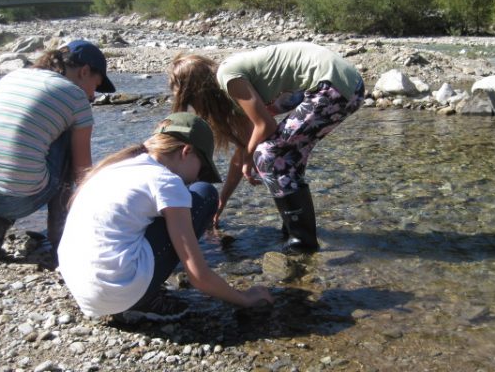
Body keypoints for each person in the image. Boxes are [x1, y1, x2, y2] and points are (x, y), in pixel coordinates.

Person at [57, 113, 274, 322]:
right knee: (204, 193)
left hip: (83, 291)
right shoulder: (165, 181)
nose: (197, 176)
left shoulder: (113, 168)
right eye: (202, 168)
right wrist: (245, 298)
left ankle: (141, 289)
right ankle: (144, 302)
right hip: (118, 293)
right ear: (186, 151)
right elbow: (199, 278)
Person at [169, 42, 365, 254]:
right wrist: (221, 202)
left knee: (268, 155)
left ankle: (302, 240)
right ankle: (293, 229)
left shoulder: (228, 76)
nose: (197, 107)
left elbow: (265, 126)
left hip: (332, 87)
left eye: (192, 100)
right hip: (348, 88)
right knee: (287, 158)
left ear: (198, 89)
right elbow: (244, 148)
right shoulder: (233, 93)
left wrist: (249, 156)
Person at [0, 40, 116, 262]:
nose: (93, 96)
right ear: (84, 71)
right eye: (95, 86)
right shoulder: (76, 98)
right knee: (67, 141)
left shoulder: (13, 77)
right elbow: (82, 172)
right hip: (16, 199)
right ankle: (60, 239)